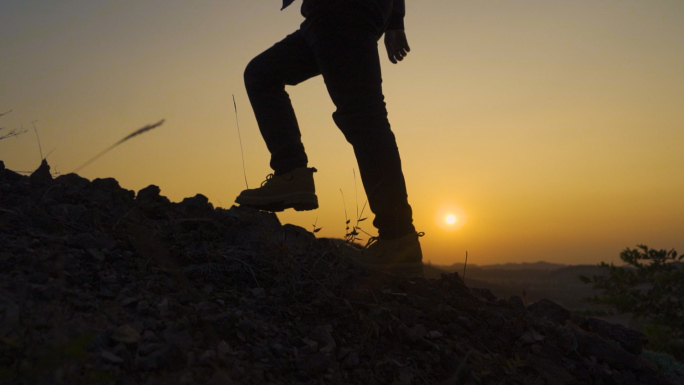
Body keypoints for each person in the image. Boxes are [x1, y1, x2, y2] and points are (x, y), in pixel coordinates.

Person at [235, 0, 423, 277]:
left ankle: (398, 238)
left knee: (364, 118)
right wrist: (395, 21)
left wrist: (396, 21)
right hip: (326, 16)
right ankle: (292, 174)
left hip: (342, 11)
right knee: (262, 74)